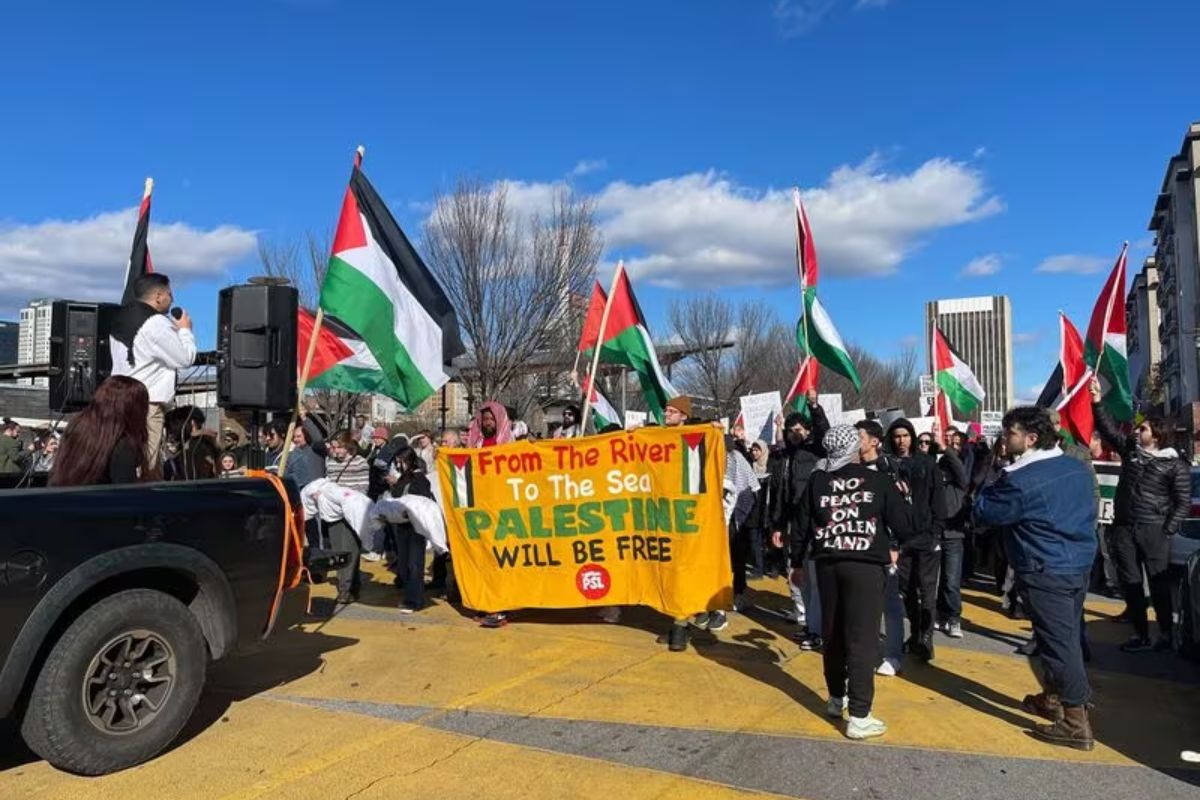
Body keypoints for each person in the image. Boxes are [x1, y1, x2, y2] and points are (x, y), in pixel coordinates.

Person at [974, 406, 1098, 751]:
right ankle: (1054, 697)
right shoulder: (1075, 467)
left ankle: (1075, 721)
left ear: (1030, 438)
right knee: (1060, 636)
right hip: (1077, 563)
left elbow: (984, 511)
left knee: (1060, 645)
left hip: (1045, 567)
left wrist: (996, 472)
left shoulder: (1020, 479)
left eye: (1009, 432)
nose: (1003, 438)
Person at [798, 425, 912, 740]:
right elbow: (903, 525)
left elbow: (802, 523)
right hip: (865, 565)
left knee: (833, 633)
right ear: (854, 450)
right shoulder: (878, 480)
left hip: (828, 563)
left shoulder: (817, 481)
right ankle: (860, 715)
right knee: (861, 639)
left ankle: (837, 698)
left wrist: (796, 562)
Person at [1091, 378, 1190, 653]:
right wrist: (1096, 400)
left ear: (1156, 435)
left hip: (1154, 530)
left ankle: (1166, 633)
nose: (1137, 430)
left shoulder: (1174, 465)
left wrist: (1167, 529)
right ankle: (1139, 634)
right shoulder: (1131, 452)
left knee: (1158, 583)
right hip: (1124, 528)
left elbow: (1182, 502)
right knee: (1130, 583)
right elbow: (1108, 430)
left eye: (1143, 428)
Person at [108, 273, 197, 470]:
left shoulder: (118, 320)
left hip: (119, 402)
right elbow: (185, 358)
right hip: (147, 404)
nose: (172, 299)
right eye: (169, 294)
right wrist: (185, 330)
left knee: (125, 463)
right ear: (158, 296)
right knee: (148, 466)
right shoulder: (156, 323)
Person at [767, 391, 830, 651]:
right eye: (792, 430)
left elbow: (823, 430)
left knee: (815, 578)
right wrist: (778, 526)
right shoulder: (785, 457)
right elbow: (780, 493)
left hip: (815, 522)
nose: (796, 433)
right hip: (794, 522)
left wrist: (814, 406)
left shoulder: (816, 450)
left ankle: (818, 629)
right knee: (798, 575)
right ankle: (808, 623)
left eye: (800, 429)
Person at [886, 417, 943, 661]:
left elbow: (937, 499)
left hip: (926, 536)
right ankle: (917, 633)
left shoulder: (927, 464)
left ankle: (926, 637)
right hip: (901, 540)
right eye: (897, 436)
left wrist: (936, 533)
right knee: (907, 589)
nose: (901, 440)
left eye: (906, 435)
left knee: (927, 589)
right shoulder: (887, 466)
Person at [856, 419, 907, 677]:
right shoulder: (851, 467)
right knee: (864, 602)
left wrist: (894, 544)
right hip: (858, 543)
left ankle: (893, 654)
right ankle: (867, 648)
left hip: (885, 545)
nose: (856, 440)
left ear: (874, 441)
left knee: (890, 602)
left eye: (860, 436)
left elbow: (897, 510)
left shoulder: (889, 469)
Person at [50, 376, 150, 486]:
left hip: (63, 499)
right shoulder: (122, 446)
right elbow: (126, 494)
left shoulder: (76, 427)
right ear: (134, 410)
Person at [468, 401, 514, 626]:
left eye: (491, 419)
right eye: (484, 419)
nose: (487, 423)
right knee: (482, 560)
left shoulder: (509, 444)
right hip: (479, 510)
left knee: (501, 560)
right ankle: (487, 603)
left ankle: (501, 608)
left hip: (503, 511)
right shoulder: (474, 444)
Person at [389, 447, 435, 613]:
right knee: (405, 562)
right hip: (402, 524)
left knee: (415, 563)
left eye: (400, 461)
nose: (398, 465)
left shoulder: (419, 478)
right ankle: (409, 594)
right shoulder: (404, 478)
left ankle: (415, 599)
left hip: (415, 527)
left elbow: (421, 500)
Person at [935, 426, 970, 639]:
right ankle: (940, 614)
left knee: (951, 580)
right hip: (935, 532)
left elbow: (960, 470)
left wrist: (945, 447)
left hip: (954, 535)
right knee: (936, 580)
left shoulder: (960, 478)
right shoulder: (936, 471)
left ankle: (954, 618)